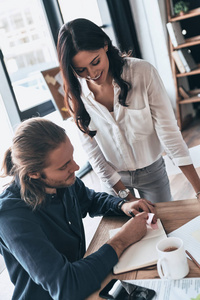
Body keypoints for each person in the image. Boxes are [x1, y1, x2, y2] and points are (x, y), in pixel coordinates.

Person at [0, 117, 156, 300]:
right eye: (64, 166)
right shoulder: (11, 216)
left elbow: (91, 200)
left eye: (72, 157)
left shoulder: (62, 181)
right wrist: (121, 240)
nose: (76, 167)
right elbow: (66, 286)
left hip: (86, 282)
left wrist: (122, 204)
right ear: (34, 173)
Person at [57, 18, 200, 205]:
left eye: (95, 62)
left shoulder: (142, 72)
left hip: (152, 172)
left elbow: (168, 132)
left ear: (105, 45)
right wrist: (127, 197)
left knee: (165, 226)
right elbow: (93, 153)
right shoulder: (74, 95)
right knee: (129, 228)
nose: (91, 74)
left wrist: (198, 189)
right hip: (113, 179)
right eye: (81, 69)